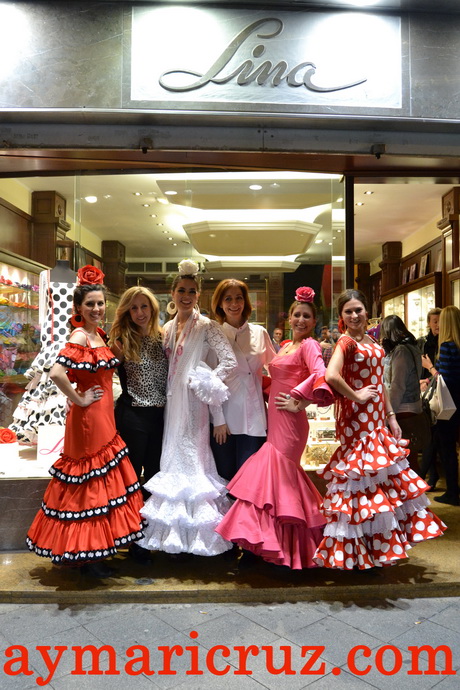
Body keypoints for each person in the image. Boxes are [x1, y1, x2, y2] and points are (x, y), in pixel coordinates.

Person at [26, 266, 145, 578]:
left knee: (98, 483)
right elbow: (56, 372)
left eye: (100, 303)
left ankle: (94, 550)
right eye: (90, 304)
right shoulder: (80, 335)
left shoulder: (97, 335)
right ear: (78, 307)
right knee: (89, 484)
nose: (96, 309)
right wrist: (79, 399)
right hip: (88, 419)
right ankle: (86, 556)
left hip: (103, 416)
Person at [314, 289, 445, 570]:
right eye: (348, 311)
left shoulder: (373, 341)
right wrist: (356, 395)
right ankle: (359, 551)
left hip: (375, 420)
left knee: (378, 482)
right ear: (342, 317)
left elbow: (382, 382)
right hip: (356, 422)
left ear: (366, 312)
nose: (354, 315)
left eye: (358, 309)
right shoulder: (346, 343)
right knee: (360, 482)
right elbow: (331, 375)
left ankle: (377, 547)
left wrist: (391, 416)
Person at [215, 286, 334, 570]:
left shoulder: (309, 345)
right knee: (271, 484)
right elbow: (273, 378)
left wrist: (300, 399)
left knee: (278, 480)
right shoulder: (285, 347)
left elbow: (320, 374)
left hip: (290, 422)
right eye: (297, 315)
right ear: (289, 319)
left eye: (306, 316)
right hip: (274, 418)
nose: (301, 320)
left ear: (313, 321)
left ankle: (281, 547)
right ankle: (270, 545)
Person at [137, 259, 237, 556]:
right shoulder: (166, 327)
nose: (186, 295)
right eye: (181, 290)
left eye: (192, 291)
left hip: (194, 406)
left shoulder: (207, 325)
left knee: (194, 461)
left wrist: (204, 380)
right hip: (170, 406)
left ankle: (200, 538)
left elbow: (229, 363)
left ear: (198, 295)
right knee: (170, 460)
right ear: (173, 292)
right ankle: (173, 536)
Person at [209, 279, 276, 481]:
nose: (234, 304)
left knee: (251, 480)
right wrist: (218, 419)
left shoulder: (259, 332)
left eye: (239, 298)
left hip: (254, 415)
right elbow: (209, 382)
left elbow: (276, 369)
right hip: (224, 418)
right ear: (220, 303)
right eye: (228, 298)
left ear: (246, 302)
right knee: (225, 478)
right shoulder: (214, 334)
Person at [109, 286, 168, 487]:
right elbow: (103, 377)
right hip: (133, 417)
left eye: (144, 306)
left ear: (152, 309)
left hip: (161, 417)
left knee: (156, 475)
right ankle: (129, 518)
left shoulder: (164, 339)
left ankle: (151, 519)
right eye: (134, 308)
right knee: (129, 476)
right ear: (127, 311)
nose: (140, 313)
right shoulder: (121, 342)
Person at [422, 305, 460, 506]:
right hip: (458, 402)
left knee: (445, 448)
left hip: (448, 405)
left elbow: (444, 378)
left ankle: (452, 491)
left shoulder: (446, 345)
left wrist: (430, 368)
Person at [380, 314, 424, 474]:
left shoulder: (400, 351)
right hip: (412, 406)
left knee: (404, 458)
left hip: (403, 409)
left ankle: (410, 494)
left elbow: (397, 385)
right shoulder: (411, 347)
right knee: (408, 457)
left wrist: (388, 412)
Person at [417, 308, 442, 491]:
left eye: (440, 321)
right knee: (429, 434)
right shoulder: (423, 343)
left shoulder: (447, 342)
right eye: (434, 321)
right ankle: (431, 476)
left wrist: (428, 377)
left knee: (433, 437)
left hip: (441, 393)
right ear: (428, 323)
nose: (437, 325)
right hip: (426, 394)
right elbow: (419, 368)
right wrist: (421, 381)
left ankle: (427, 477)